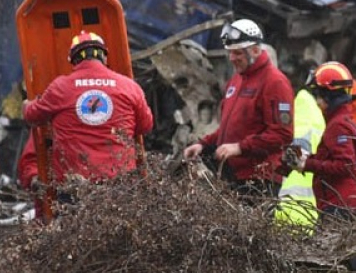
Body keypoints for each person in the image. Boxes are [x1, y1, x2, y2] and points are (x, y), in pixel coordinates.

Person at [23, 31, 154, 183]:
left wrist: (27, 105)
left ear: (73, 60)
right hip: (121, 185)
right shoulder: (129, 87)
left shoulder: (60, 87)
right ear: (104, 57)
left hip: (76, 186)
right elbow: (145, 126)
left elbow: (33, 116)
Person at [183, 19, 294, 197]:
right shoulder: (236, 80)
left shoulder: (275, 82)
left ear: (255, 51)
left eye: (237, 53)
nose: (232, 58)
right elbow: (230, 128)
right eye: (230, 53)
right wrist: (203, 144)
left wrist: (240, 148)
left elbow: (282, 135)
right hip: (233, 175)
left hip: (260, 179)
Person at [283, 62, 356, 216]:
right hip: (342, 202)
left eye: (319, 96)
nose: (317, 102)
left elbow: (344, 165)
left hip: (340, 204)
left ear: (330, 96)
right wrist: (306, 161)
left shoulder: (338, 125)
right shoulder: (342, 121)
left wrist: (307, 163)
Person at [275, 73, 326, 232]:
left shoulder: (303, 105)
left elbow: (297, 148)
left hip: (293, 207)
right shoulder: (312, 108)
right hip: (306, 207)